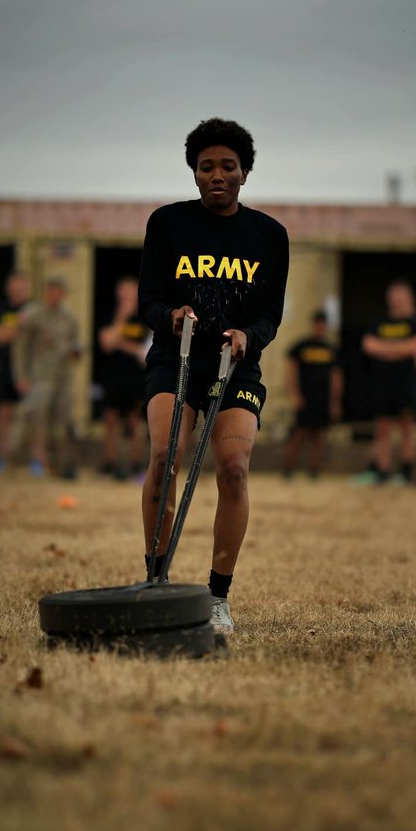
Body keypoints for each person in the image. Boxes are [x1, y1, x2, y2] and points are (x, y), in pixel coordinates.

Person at [138, 117, 289, 634]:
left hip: (234, 364)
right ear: (194, 172)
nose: (216, 175)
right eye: (206, 167)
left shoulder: (270, 236)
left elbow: (271, 314)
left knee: (235, 467)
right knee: (165, 456)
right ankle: (155, 580)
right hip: (175, 360)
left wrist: (251, 334)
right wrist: (171, 317)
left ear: (245, 173)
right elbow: (149, 300)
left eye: (228, 166)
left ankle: (218, 596)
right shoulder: (166, 224)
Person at [9, 278, 82, 478]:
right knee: (33, 415)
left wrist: (75, 351)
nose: (55, 295)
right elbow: (20, 348)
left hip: (63, 377)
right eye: (52, 290)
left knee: (64, 421)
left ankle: (62, 465)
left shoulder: (69, 318)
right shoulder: (33, 314)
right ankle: (17, 457)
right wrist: (21, 375)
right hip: (40, 376)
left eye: (59, 291)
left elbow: (76, 346)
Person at [358, 281, 416, 485]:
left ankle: (406, 472)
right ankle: (383, 471)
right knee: (382, 429)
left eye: (402, 296)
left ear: (410, 298)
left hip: (406, 385)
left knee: (407, 429)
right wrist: (399, 349)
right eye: (395, 295)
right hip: (382, 385)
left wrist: (385, 350)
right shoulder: (379, 323)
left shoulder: (415, 324)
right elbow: (368, 345)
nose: (398, 300)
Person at [97, 276, 149, 480]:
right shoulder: (110, 316)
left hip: (137, 378)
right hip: (113, 377)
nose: (127, 296)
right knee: (110, 420)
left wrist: (121, 343)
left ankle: (136, 466)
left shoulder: (146, 318)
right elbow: (106, 344)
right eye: (123, 292)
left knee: (136, 422)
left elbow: (146, 354)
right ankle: (109, 465)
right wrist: (122, 319)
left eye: (131, 292)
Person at [283, 309, 342, 479]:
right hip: (305, 398)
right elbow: (291, 371)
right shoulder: (300, 347)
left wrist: (335, 401)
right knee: (299, 434)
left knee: (319, 435)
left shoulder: (331, 350)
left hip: (322, 398)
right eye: (317, 324)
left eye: (323, 325)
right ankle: (288, 467)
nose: (320, 328)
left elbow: (336, 377)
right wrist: (294, 394)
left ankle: (315, 469)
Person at [0, 272, 31, 473]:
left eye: (22, 286)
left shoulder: (33, 309)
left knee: (31, 415)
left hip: (29, 371)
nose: (18, 290)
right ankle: (2, 458)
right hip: (3, 368)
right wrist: (18, 331)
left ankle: (31, 460)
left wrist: (8, 333)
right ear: (8, 288)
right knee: (3, 412)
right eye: (15, 286)